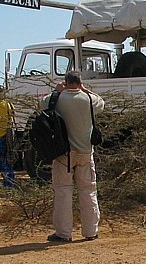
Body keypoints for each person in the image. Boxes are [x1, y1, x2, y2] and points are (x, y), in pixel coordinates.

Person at [43, 70, 104, 243]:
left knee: (63, 192)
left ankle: (63, 233)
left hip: (64, 154)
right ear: (79, 82)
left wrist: (57, 91)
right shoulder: (89, 99)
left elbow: (41, 104)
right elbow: (102, 103)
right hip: (85, 152)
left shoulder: (57, 99)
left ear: (66, 82)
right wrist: (85, 90)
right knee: (88, 191)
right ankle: (91, 231)